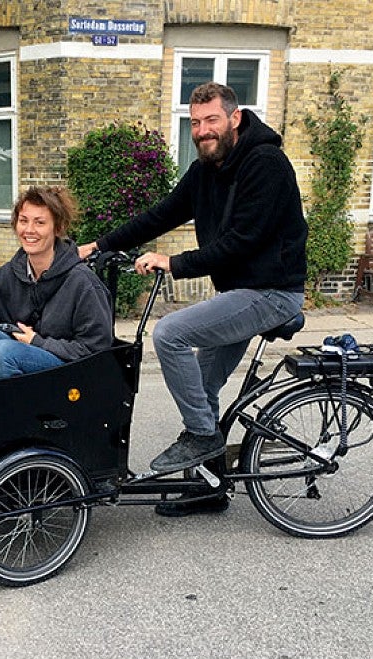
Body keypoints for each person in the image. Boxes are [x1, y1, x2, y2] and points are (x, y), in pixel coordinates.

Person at [78, 82, 307, 516]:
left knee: (171, 333)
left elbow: (244, 240)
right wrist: (97, 245)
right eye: (195, 122)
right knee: (201, 387)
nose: (202, 130)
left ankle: (203, 438)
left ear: (234, 119)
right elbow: (161, 214)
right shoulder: (207, 169)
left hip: (272, 292)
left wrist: (174, 262)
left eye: (211, 120)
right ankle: (208, 490)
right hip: (241, 293)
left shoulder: (266, 163)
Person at [0, 186, 113, 379]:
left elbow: (96, 350)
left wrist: (37, 342)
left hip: (70, 373)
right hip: (29, 355)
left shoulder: (83, 283)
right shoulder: (7, 276)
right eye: (23, 221)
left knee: (4, 352)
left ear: (57, 228)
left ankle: (11, 409)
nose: (29, 230)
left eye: (39, 223)